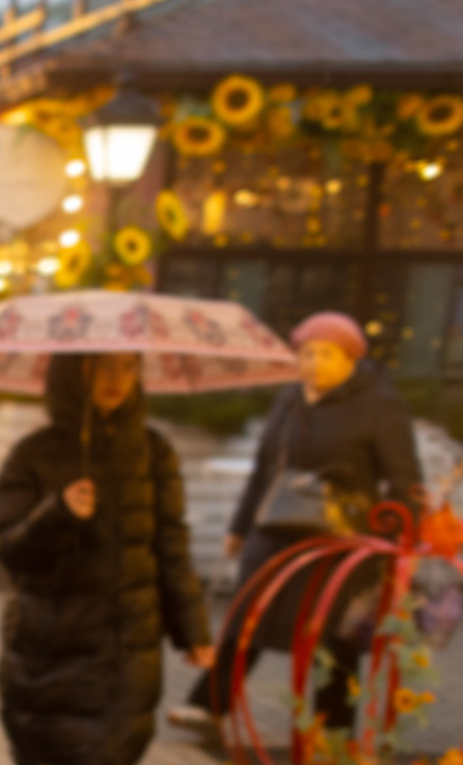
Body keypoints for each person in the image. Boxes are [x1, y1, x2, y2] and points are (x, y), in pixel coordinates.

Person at [0, 352, 213, 765]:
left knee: (106, 761)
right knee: (43, 736)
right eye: (102, 367)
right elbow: (6, 547)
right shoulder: (35, 453)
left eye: (129, 367)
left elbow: (171, 544)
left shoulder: (155, 453)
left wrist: (193, 630)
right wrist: (56, 514)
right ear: (74, 372)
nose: (116, 379)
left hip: (127, 639)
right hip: (51, 635)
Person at [169, 311, 422, 733]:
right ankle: (210, 705)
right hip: (277, 523)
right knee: (249, 611)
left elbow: (406, 480)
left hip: (343, 536)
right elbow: (264, 467)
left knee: (334, 635)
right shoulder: (288, 398)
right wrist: (239, 526)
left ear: (350, 360)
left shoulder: (380, 405)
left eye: (327, 354)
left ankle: (332, 732)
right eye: (307, 353)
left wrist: (396, 541)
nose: (315, 363)